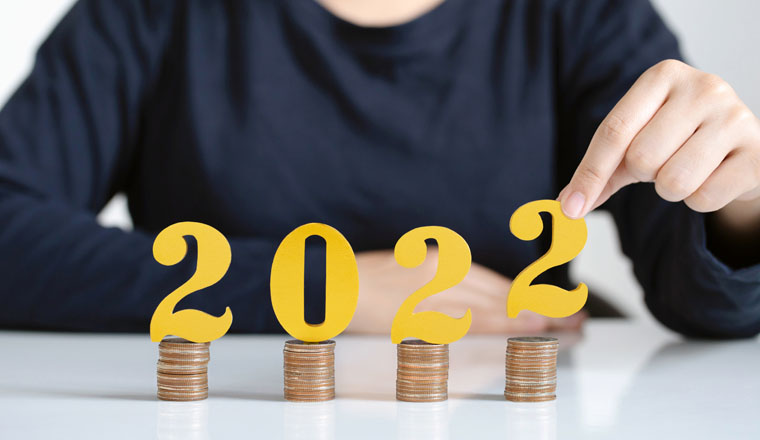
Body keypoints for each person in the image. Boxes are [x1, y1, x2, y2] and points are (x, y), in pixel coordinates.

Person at [0, 0, 758, 338]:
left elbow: (712, 303)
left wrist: (742, 202)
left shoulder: (577, 13)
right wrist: (322, 287)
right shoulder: (152, 12)